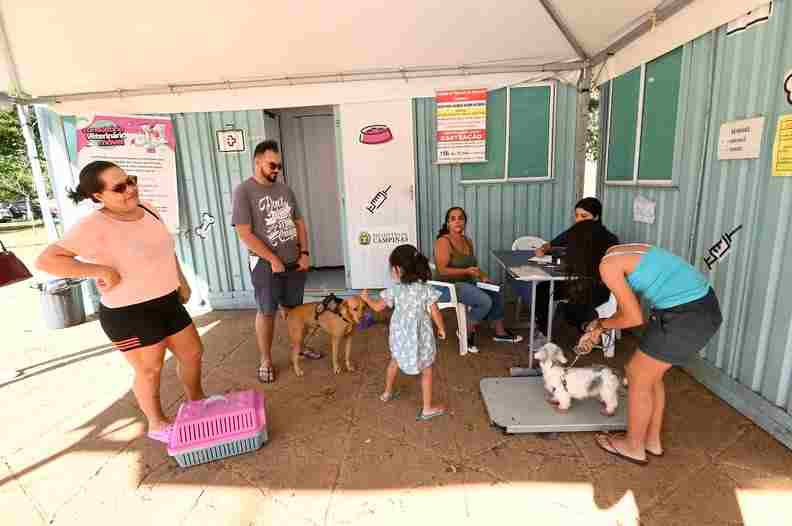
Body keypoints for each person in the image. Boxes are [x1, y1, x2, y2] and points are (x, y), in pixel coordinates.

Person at [35, 161, 206, 442]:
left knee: (193, 353)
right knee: (150, 370)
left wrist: (182, 282)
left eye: (131, 180)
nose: (131, 189)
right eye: (120, 187)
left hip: (166, 300)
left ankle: (197, 402)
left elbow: (164, 250)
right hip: (128, 312)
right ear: (98, 196)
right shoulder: (93, 225)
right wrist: (99, 271)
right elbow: (46, 260)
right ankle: (156, 423)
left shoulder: (149, 208)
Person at [568, 221, 722, 465]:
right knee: (649, 377)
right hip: (692, 308)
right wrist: (599, 326)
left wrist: (600, 325)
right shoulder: (619, 253)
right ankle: (651, 442)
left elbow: (632, 317)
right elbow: (625, 306)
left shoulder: (607, 266)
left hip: (687, 316)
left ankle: (632, 447)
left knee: (637, 375)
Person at [232, 140, 313, 384]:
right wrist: (272, 258)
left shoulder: (285, 190)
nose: (277, 169)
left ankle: (299, 348)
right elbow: (244, 233)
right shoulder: (244, 191)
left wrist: (305, 252)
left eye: (279, 165)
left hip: (293, 262)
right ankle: (265, 359)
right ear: (257, 162)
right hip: (265, 265)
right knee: (266, 312)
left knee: (294, 311)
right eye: (272, 165)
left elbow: (299, 222)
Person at [360, 244, 447, 421]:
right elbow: (435, 311)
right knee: (427, 369)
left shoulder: (395, 289)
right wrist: (441, 328)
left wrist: (366, 299)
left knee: (395, 361)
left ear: (398, 269)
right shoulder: (425, 289)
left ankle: (387, 392)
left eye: (391, 267)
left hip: (400, 336)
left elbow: (377, 307)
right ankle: (427, 408)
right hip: (421, 336)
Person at [525, 197, 619, 339]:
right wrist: (543, 249)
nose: (579, 220)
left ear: (596, 217)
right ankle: (544, 332)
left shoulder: (609, 239)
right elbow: (553, 243)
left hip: (596, 286)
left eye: (584, 216)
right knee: (543, 289)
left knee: (573, 305)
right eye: (577, 216)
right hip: (574, 282)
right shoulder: (574, 232)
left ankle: (588, 331)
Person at [434, 207, 523, 352]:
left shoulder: (467, 241)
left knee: (497, 290)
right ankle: (465, 331)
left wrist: (483, 276)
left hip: (467, 282)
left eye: (461, 218)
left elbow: (473, 267)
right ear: (448, 223)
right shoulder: (443, 242)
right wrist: (466, 271)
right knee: (484, 300)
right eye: (453, 218)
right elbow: (442, 270)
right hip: (447, 286)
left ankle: (500, 333)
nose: (457, 221)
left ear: (465, 222)